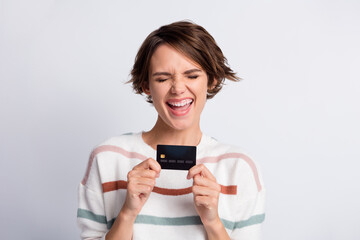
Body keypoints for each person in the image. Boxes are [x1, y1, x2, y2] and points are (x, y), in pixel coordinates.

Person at [77, 21, 265, 240]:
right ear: (146, 85)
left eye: (192, 76)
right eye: (163, 78)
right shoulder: (108, 158)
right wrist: (128, 213)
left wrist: (213, 222)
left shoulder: (239, 167)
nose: (177, 88)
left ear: (212, 80)